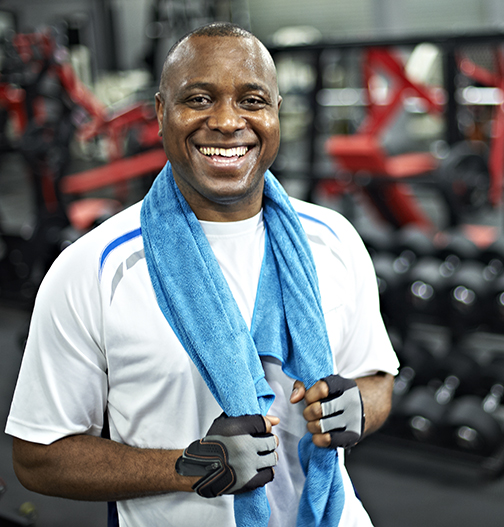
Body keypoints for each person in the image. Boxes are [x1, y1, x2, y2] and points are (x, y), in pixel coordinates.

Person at [5, 22, 399, 527]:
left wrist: (358, 407)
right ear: (161, 111)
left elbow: (378, 380)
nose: (228, 121)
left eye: (252, 101)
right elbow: (38, 458)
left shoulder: (335, 239)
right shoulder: (94, 269)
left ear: (276, 113)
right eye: (199, 99)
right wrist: (188, 468)